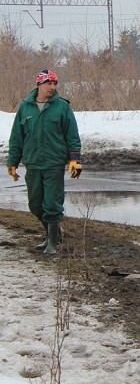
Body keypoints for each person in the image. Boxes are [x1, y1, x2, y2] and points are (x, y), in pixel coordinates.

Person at [6, 69, 82, 255]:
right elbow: (17, 137)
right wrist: (13, 162)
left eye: (55, 84)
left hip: (54, 163)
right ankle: (53, 234)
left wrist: (75, 159)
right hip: (32, 162)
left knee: (52, 204)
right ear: (39, 84)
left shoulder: (62, 107)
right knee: (35, 204)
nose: (52, 87)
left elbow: (72, 135)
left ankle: (53, 244)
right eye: (49, 83)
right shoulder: (26, 107)